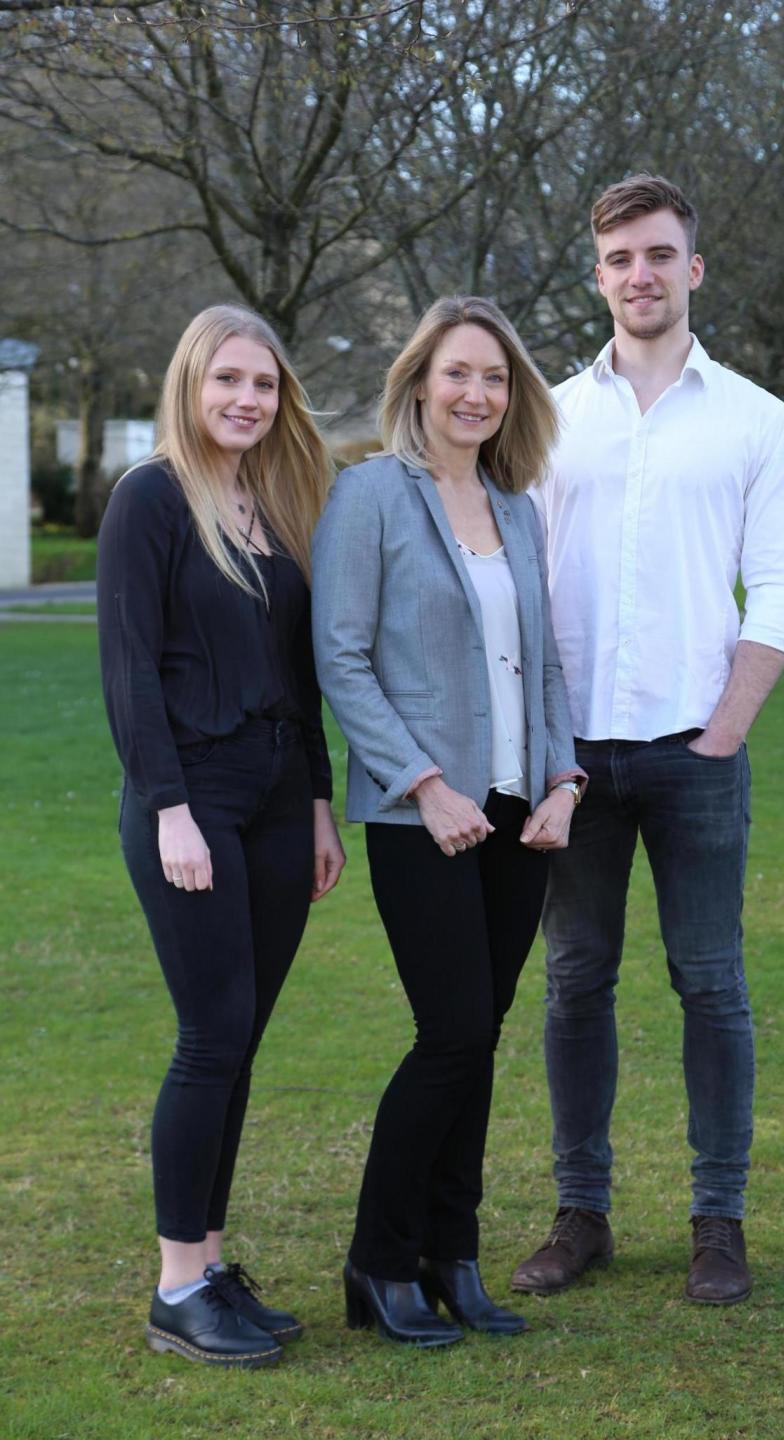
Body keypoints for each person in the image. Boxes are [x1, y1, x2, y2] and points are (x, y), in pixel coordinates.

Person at [510, 174, 784, 1306]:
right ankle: (579, 1214)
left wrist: (724, 729)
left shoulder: (755, 421)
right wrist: (544, 752)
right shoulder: (546, 417)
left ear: (693, 267)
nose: (640, 275)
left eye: (659, 254)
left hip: (698, 754)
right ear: (597, 276)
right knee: (575, 984)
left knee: (712, 985)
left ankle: (718, 1223)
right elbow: (524, 594)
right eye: (619, 259)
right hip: (574, 764)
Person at [312, 295, 585, 1347]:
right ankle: (378, 1263)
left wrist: (563, 780)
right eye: (459, 373)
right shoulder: (371, 495)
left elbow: (545, 660)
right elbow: (341, 656)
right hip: (422, 813)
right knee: (453, 1032)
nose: (478, 394)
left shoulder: (517, 504)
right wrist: (427, 785)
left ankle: (452, 1257)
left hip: (519, 813)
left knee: (481, 1038)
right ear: (420, 381)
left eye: (497, 378)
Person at [97, 304, 346, 1368]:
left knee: (240, 1038)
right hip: (191, 794)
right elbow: (129, 669)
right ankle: (175, 1287)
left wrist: (324, 801)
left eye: (264, 383)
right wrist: (168, 810)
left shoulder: (278, 502)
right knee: (210, 1036)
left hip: (283, 796)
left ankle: (209, 1262)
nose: (247, 399)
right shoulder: (150, 499)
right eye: (227, 381)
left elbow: (301, 672)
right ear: (190, 387)